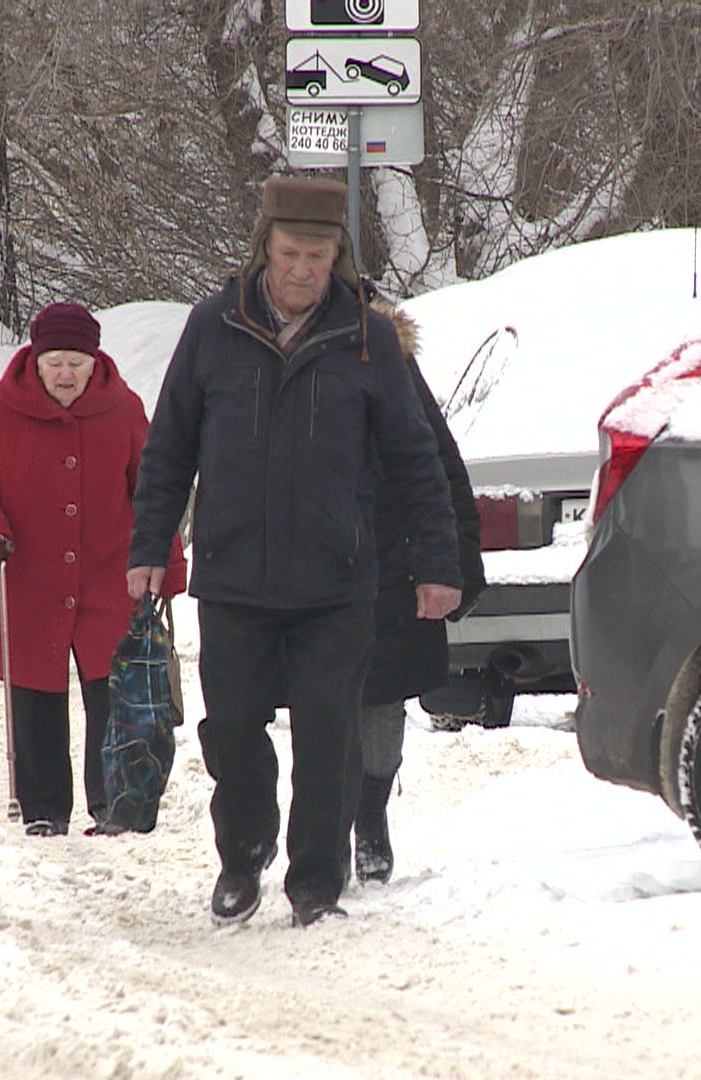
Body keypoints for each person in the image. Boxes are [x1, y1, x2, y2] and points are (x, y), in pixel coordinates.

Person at [126, 175, 462, 927]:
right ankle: (242, 859)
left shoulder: (368, 339)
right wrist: (151, 541)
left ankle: (315, 884)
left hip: (336, 583)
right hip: (234, 576)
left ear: (337, 256)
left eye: (318, 255)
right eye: (289, 253)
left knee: (327, 737)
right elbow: (170, 446)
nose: (303, 269)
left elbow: (416, 459)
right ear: (264, 248)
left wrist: (439, 564)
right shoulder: (214, 327)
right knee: (234, 735)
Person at [0, 302, 186, 838]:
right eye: (54, 361)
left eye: (75, 364)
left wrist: (169, 565)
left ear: (94, 362)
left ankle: (113, 803)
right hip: (30, 580)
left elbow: (155, 493)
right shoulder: (5, 410)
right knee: (35, 697)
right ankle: (44, 809)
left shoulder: (123, 410)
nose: (64, 374)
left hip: (110, 580)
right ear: (35, 360)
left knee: (113, 695)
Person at [349, 297, 489, 885]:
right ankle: (327, 826)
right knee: (320, 698)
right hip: (310, 557)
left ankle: (371, 817)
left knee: (382, 696)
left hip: (388, 557)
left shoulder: (387, 354)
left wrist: (457, 561)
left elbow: (439, 462)